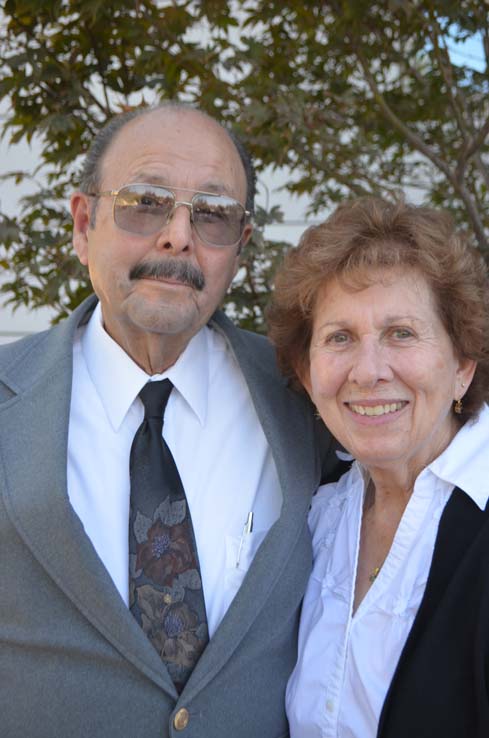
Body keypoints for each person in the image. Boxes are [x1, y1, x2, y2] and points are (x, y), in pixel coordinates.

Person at [0, 104, 339, 738]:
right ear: (83, 224)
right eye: (145, 201)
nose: (178, 236)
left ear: (238, 247)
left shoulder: (309, 394)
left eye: (212, 214)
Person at [267, 196, 489, 738]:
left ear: (462, 365)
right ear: (307, 368)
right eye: (339, 338)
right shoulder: (314, 513)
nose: (368, 372)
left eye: (402, 334)